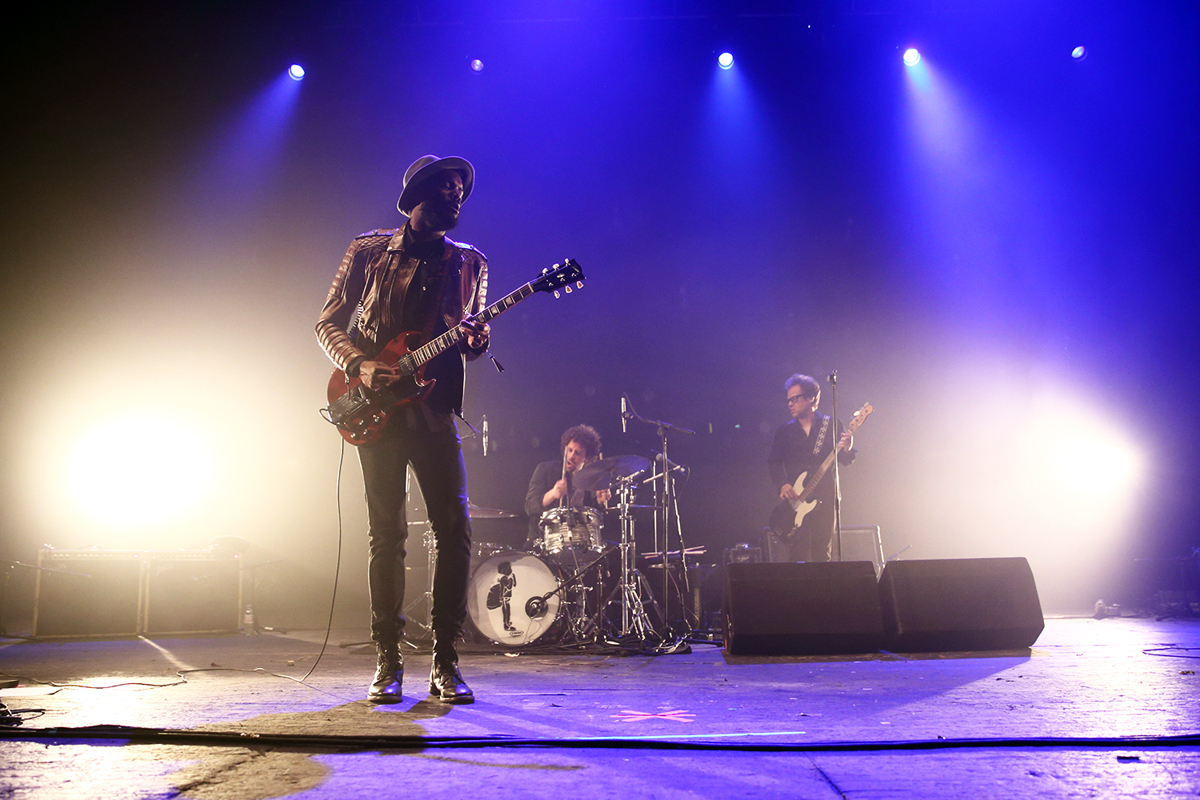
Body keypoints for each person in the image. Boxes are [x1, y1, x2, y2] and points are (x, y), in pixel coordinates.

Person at [315, 154, 489, 704]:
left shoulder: (471, 262)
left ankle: (445, 660)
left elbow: (470, 338)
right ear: (418, 195)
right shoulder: (368, 250)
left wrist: (478, 341)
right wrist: (360, 365)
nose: (456, 194)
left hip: (434, 410)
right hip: (376, 406)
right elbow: (327, 321)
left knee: (455, 529)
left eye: (460, 189)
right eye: (446, 187)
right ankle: (387, 658)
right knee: (387, 534)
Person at [767, 374, 856, 563]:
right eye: (788, 400)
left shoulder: (831, 425)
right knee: (796, 556)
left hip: (826, 498)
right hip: (797, 500)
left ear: (811, 398)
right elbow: (774, 462)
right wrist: (783, 484)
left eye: (795, 399)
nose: (790, 404)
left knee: (821, 553)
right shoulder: (785, 431)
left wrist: (847, 449)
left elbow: (844, 460)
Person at [524, 425, 611, 549]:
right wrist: (552, 494)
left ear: (587, 458)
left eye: (577, 453)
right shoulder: (545, 469)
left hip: (580, 545)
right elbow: (529, 507)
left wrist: (600, 502)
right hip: (542, 543)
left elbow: (595, 521)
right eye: (569, 450)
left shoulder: (592, 480)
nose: (571, 456)